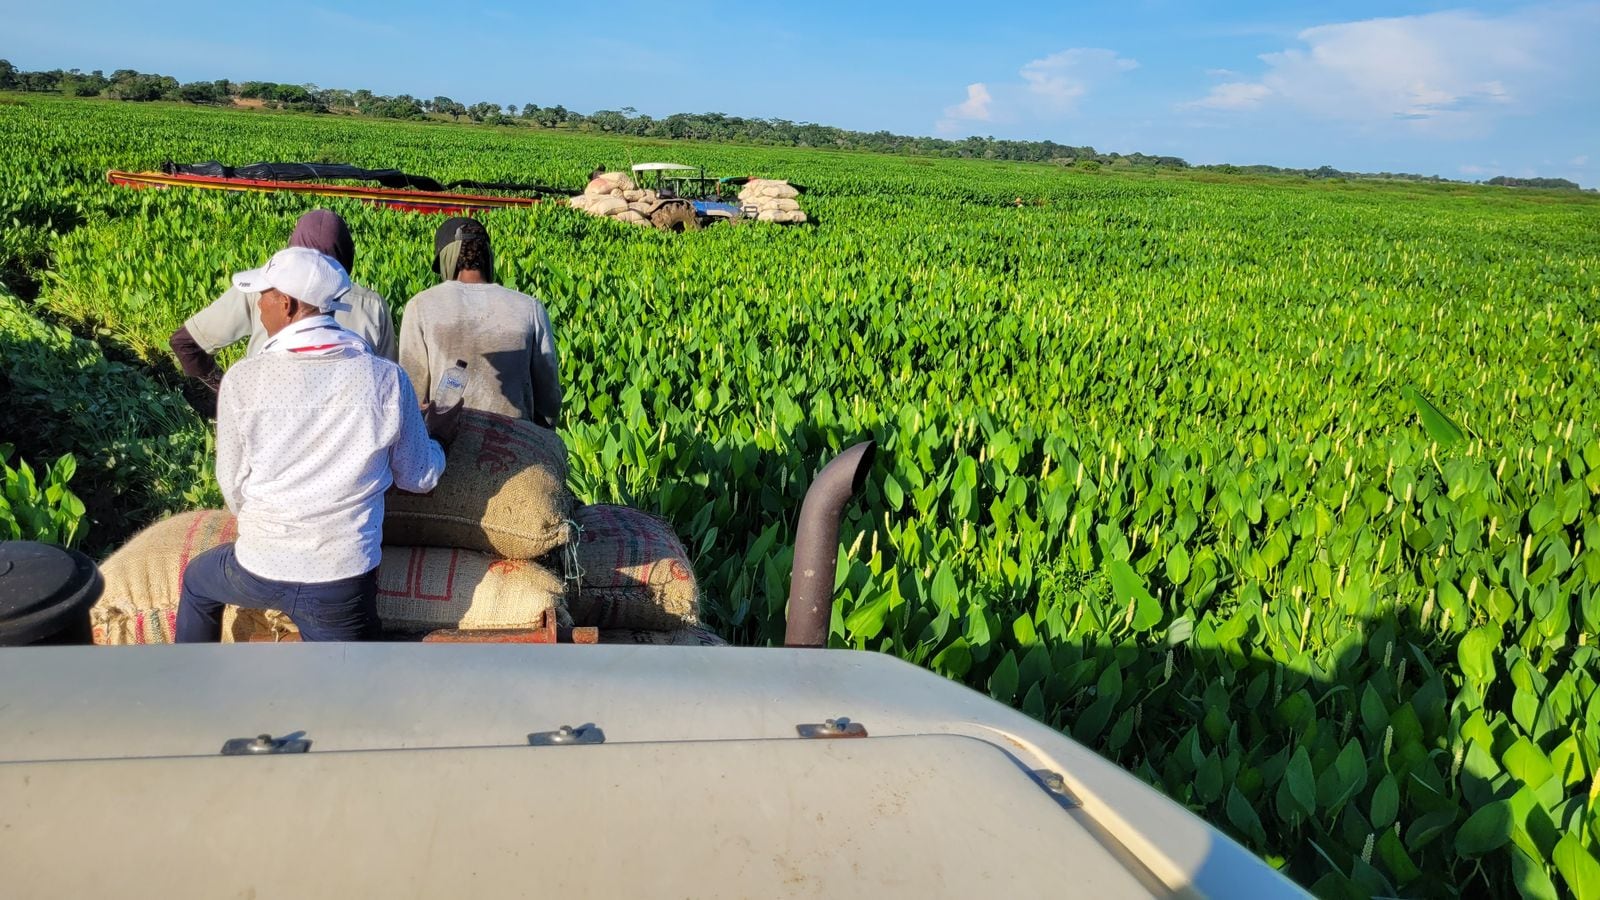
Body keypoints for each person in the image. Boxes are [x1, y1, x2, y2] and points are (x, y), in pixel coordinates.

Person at [175, 247, 460, 643]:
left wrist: (267, 529)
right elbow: (419, 477)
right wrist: (440, 437)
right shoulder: (385, 379)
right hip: (339, 578)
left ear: (288, 305)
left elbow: (232, 484)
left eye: (264, 295)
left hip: (258, 566)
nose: (259, 305)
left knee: (197, 582)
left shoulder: (243, 379)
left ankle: (189, 683)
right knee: (349, 694)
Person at [169, 209, 396, 416]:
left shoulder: (264, 290)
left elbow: (185, 342)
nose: (262, 305)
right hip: (346, 439)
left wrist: (230, 398)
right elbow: (387, 391)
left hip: (265, 424)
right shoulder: (372, 306)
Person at [399, 217, 562, 428]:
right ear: (488, 257)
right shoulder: (529, 307)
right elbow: (549, 400)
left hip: (447, 442)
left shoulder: (420, 305)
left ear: (447, 260)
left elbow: (411, 395)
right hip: (514, 441)